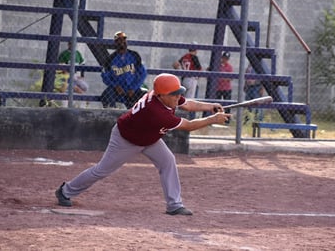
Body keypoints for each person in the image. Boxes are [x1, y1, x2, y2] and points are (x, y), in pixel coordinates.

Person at [55, 73, 231, 216]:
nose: (178, 96)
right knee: (102, 170)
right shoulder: (156, 112)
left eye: (179, 92)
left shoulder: (165, 96)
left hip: (149, 138)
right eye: (175, 94)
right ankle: (65, 191)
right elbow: (189, 126)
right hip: (126, 139)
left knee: (168, 161)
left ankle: (174, 205)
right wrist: (213, 119)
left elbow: (188, 105)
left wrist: (210, 107)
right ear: (162, 95)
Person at [100, 31, 147, 109]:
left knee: (146, 95)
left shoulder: (134, 55)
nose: (122, 42)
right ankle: (112, 113)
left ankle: (141, 117)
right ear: (115, 42)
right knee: (106, 95)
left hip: (132, 88)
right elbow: (105, 76)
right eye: (119, 40)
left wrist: (133, 88)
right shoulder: (110, 59)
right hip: (117, 90)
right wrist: (115, 86)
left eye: (124, 39)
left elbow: (143, 73)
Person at [215, 51, 234, 124]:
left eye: (227, 58)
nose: (225, 60)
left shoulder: (229, 67)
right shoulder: (217, 65)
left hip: (227, 89)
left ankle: (227, 120)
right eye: (224, 58)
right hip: (218, 88)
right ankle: (216, 119)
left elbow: (231, 78)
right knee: (217, 105)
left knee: (227, 104)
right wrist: (224, 78)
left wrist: (222, 78)